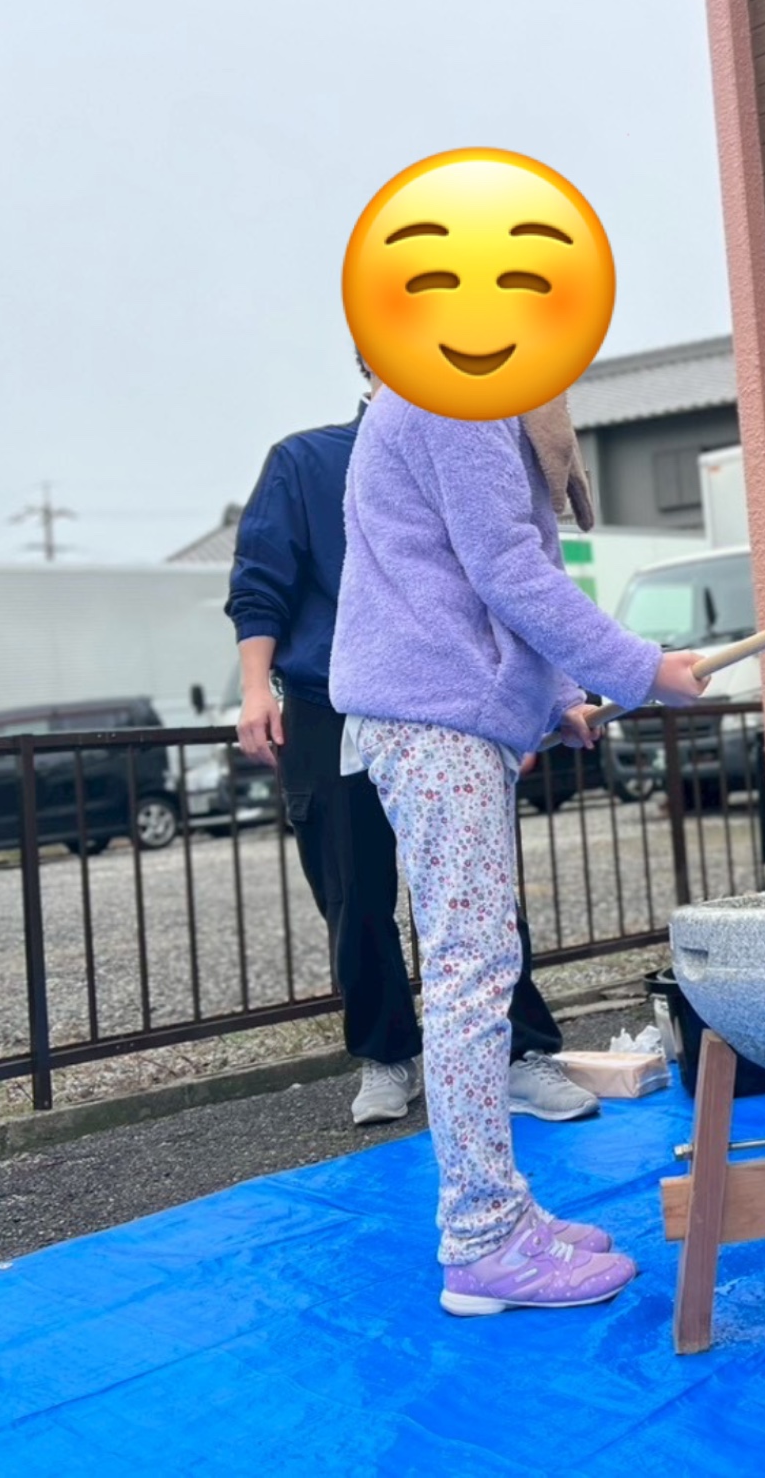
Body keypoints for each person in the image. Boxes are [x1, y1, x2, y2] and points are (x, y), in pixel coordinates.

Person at [330, 380, 705, 1315]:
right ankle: (482, 1237)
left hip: (435, 708)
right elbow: (506, 567)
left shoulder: (451, 395)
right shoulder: (454, 395)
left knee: (476, 964)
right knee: (471, 970)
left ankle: (497, 1211)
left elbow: (474, 572)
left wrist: (558, 700)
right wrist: (641, 669)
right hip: (434, 715)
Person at [225, 357, 599, 1132]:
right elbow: (261, 579)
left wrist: (541, 697)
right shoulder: (308, 459)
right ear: (369, 352)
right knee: (353, 890)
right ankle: (386, 1053)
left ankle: (519, 1052)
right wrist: (255, 688)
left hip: (442, 701)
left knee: (475, 890)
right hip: (331, 700)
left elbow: (512, 571)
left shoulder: (470, 442)